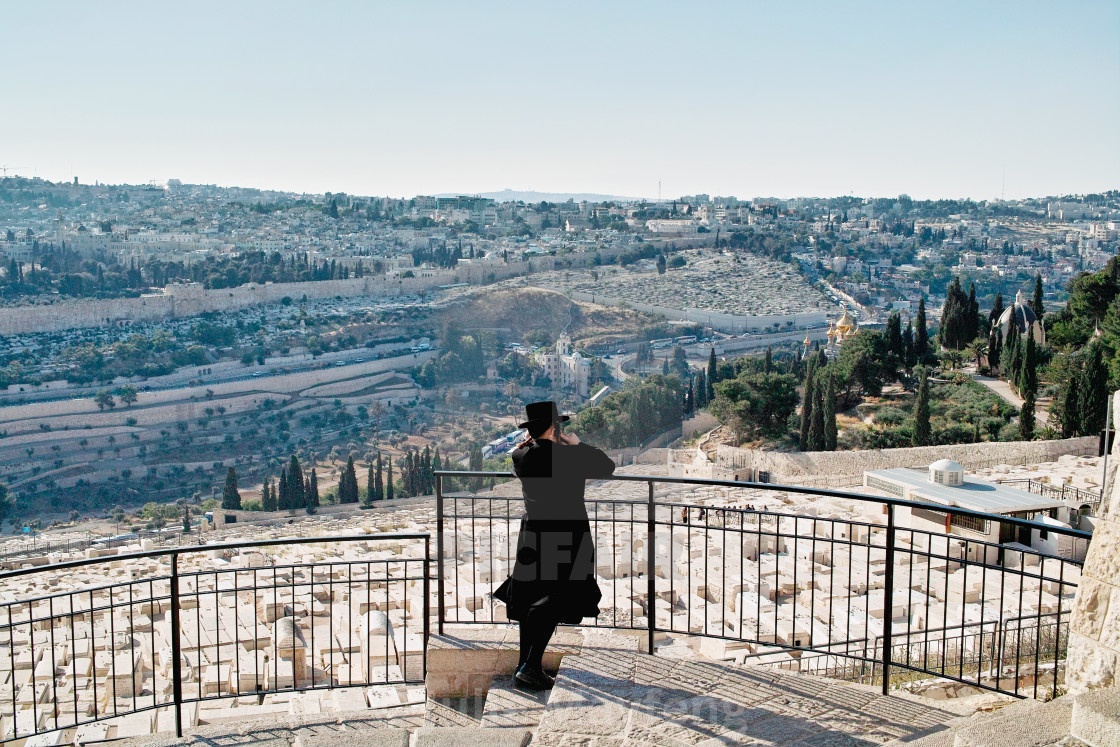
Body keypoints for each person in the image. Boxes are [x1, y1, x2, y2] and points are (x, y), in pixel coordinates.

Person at [494, 401, 615, 690]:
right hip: (568, 536)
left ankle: (525, 666)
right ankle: (532, 665)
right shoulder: (568, 456)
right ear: (553, 428)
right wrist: (578, 444)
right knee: (564, 593)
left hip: (533, 534)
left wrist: (535, 443)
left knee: (529, 596)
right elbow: (607, 467)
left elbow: (528, 454)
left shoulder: (519, 455)